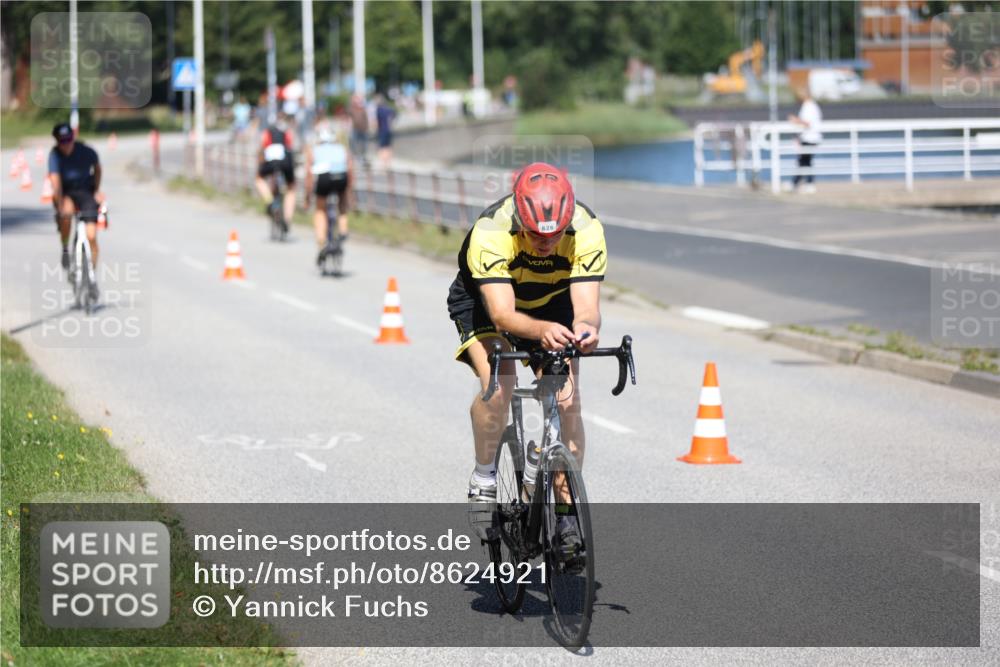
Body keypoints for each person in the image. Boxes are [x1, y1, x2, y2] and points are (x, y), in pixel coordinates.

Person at [446, 162, 606, 564]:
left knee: (569, 403)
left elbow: (586, 308)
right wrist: (541, 332)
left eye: (554, 235)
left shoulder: (587, 229)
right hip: (487, 305)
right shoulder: (491, 232)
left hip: (553, 304)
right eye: (535, 235)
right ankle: (484, 478)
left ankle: (566, 517)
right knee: (500, 385)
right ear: (519, 216)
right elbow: (503, 316)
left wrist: (585, 331)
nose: (545, 244)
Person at [48, 123, 104, 299]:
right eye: (62, 141)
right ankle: (65, 247)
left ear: (73, 138)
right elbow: (55, 182)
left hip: (86, 193)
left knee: (92, 236)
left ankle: (91, 276)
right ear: (57, 141)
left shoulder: (86, 151)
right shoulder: (54, 155)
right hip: (67, 193)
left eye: (69, 139)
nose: (66, 144)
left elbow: (98, 168)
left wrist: (96, 189)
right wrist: (58, 206)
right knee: (65, 214)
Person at [304, 126, 353, 265]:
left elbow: (309, 175)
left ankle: (321, 242)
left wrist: (308, 197)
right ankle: (343, 230)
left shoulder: (314, 150)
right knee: (342, 204)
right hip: (341, 177)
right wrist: (348, 193)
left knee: (320, 209)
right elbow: (350, 170)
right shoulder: (342, 149)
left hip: (324, 178)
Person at [254, 116, 297, 231]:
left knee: (259, 179)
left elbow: (261, 149)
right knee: (291, 188)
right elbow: (291, 149)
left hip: (271, 161)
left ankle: (270, 201)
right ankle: (287, 219)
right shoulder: (287, 133)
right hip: (285, 161)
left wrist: (260, 164)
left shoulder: (267, 133)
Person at [787, 88, 822, 194]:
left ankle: (801, 183)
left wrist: (795, 120)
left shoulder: (809, 106)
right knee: (804, 161)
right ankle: (798, 183)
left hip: (810, 137)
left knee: (804, 161)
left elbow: (808, 123)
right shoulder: (810, 105)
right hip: (807, 136)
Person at [374, 94, 396, 169]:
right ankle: (388, 163)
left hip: (382, 130)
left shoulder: (378, 110)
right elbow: (394, 114)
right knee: (388, 146)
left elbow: (377, 122)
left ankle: (383, 164)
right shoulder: (388, 109)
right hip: (389, 130)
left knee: (382, 147)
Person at [348, 94, 369, 165]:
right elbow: (348, 117)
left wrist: (367, 127)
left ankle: (362, 157)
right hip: (355, 129)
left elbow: (366, 118)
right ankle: (356, 157)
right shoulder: (351, 108)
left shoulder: (362, 108)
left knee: (363, 144)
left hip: (363, 129)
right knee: (354, 143)